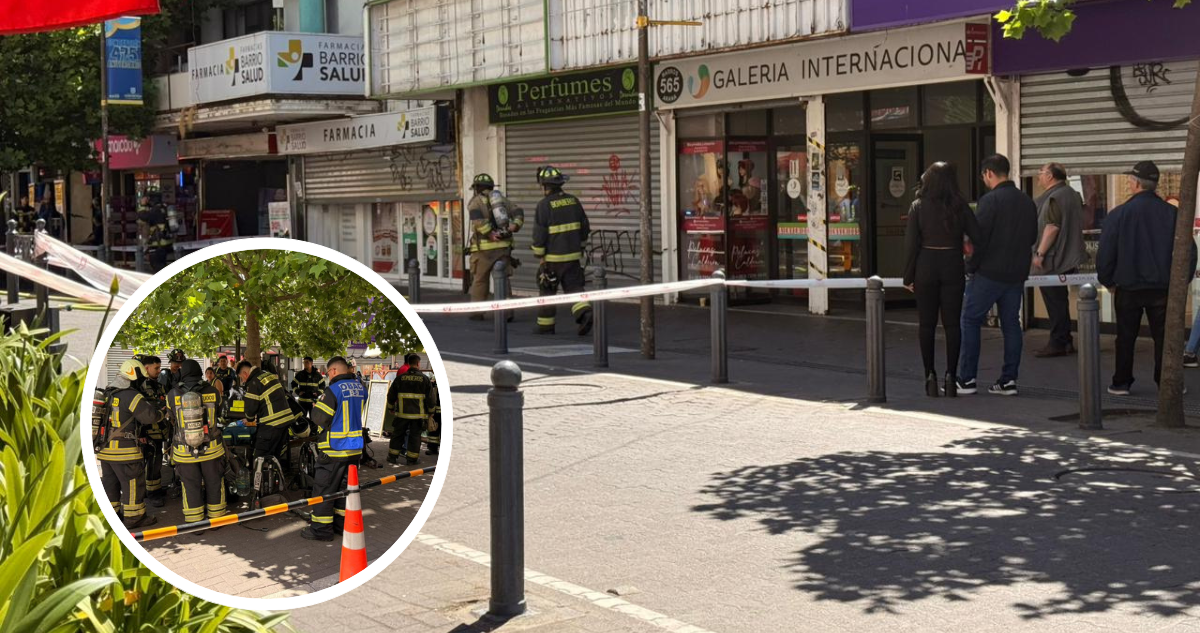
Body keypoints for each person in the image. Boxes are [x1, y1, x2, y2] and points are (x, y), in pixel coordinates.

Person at [1097, 161, 1197, 395]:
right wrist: (1182, 282)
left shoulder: (1118, 215)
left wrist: (1108, 281)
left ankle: (1121, 382)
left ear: (1135, 184)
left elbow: (1105, 254)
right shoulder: (1173, 214)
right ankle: (1166, 383)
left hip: (1128, 288)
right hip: (1163, 289)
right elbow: (1189, 251)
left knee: (1125, 337)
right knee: (1164, 338)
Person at [957, 154, 1039, 396]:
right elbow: (1032, 237)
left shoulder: (989, 201)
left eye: (984, 175)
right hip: (1016, 274)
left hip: (989, 272)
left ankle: (967, 379)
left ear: (989, 173)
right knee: (1011, 323)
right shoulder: (1027, 201)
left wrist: (970, 266)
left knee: (970, 319)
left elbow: (978, 239)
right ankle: (1008, 380)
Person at [903, 162, 983, 398]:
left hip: (926, 264)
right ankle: (950, 377)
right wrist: (971, 264)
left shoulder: (917, 206)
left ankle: (929, 375)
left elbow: (910, 245)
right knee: (952, 325)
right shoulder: (960, 206)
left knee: (926, 324)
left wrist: (908, 276)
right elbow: (979, 238)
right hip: (952, 264)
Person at [301, 356, 365, 541]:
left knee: (324, 490)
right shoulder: (361, 388)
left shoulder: (332, 390)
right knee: (344, 491)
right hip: (354, 450)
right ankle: (341, 526)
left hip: (334, 450)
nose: (328, 375)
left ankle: (320, 530)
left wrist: (315, 408)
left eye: (328, 372)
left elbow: (319, 417)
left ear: (334, 371)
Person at [94, 358, 160, 528]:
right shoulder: (131, 395)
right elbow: (149, 417)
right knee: (133, 483)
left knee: (110, 484)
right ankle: (134, 518)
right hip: (125, 451)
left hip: (105, 450)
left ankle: (112, 516)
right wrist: (162, 413)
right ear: (134, 375)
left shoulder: (108, 393)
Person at [1032, 162, 1088, 357]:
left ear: (1050, 176)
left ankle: (1058, 341)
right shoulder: (1071, 194)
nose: (1038, 176)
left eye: (1041, 172)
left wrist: (1040, 253)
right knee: (1060, 300)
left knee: (1054, 300)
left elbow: (1052, 227)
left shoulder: (1055, 197)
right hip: (1067, 256)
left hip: (1054, 258)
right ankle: (1065, 340)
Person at [531, 165, 593, 335]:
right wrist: (580, 247)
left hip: (552, 259)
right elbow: (585, 227)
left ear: (545, 186)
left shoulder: (544, 205)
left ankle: (546, 325)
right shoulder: (573, 201)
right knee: (574, 287)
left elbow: (539, 233)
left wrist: (539, 254)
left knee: (547, 290)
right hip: (572, 257)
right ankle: (584, 313)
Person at [167, 360, 227, 529]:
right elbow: (221, 411)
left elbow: (171, 417)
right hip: (212, 449)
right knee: (214, 481)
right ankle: (216, 520)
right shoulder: (213, 391)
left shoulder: (172, 394)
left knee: (190, 484)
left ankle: (195, 522)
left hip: (184, 450)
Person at [467, 174, 525, 321]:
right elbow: (518, 211)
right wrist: (515, 225)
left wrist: (490, 234)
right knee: (503, 279)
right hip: (503, 248)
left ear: (477, 188)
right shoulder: (503, 200)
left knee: (480, 280)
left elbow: (477, 221)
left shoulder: (475, 202)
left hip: (483, 251)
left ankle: (477, 312)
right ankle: (507, 313)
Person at [237, 359, 297, 460]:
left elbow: (250, 409)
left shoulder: (253, 382)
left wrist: (249, 419)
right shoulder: (267, 375)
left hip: (272, 423)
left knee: (260, 457)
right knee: (274, 456)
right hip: (285, 421)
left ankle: (262, 475)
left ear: (245, 373)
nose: (243, 381)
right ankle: (274, 474)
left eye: (241, 378)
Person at [135, 355, 170, 507]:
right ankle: (151, 494)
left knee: (157, 460)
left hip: (160, 430)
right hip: (147, 432)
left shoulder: (159, 385)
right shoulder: (139, 386)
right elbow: (137, 412)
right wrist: (141, 433)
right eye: (156, 368)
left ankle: (155, 488)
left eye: (159, 367)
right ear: (146, 368)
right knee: (150, 462)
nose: (158, 370)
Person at [385, 353, 434, 466]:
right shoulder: (425, 379)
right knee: (415, 436)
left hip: (402, 414)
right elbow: (430, 398)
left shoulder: (400, 378)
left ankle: (392, 457)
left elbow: (391, 395)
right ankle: (411, 459)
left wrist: (391, 408)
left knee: (398, 435)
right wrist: (431, 412)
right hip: (418, 415)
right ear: (418, 364)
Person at [136, 197, 173, 273]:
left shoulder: (155, 210)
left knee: (157, 266)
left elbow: (143, 216)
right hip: (166, 242)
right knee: (162, 265)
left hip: (158, 243)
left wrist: (142, 205)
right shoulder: (164, 208)